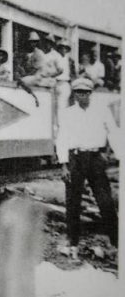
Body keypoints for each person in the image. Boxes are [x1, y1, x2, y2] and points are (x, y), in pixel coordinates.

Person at [55, 78, 118, 258]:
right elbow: (62, 138)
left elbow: (113, 132)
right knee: (73, 202)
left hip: (95, 158)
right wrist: (64, 165)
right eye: (78, 92)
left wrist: (118, 155)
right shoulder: (67, 113)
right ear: (74, 94)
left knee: (105, 200)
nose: (81, 95)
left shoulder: (101, 111)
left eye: (85, 92)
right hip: (76, 158)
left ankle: (116, 242)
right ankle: (72, 243)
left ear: (91, 93)